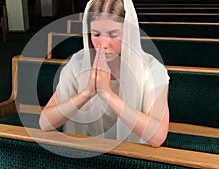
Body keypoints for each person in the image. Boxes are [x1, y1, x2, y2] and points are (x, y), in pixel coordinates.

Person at [39, 0, 170, 147]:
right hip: (88, 149)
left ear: (129, 32)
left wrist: (107, 94)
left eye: (113, 34)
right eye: (96, 34)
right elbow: (45, 122)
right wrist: (86, 93)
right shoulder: (77, 63)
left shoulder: (151, 69)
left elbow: (157, 136)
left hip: (133, 153)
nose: (103, 44)